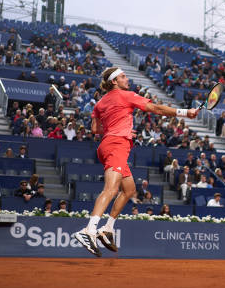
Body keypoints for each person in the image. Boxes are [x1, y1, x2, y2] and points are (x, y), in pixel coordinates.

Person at [74, 67, 199, 257]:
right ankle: (88, 230)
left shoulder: (100, 103)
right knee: (111, 189)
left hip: (107, 145)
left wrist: (118, 128)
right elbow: (156, 109)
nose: (127, 79)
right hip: (116, 145)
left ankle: (107, 229)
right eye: (123, 76)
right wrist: (184, 113)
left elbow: (95, 129)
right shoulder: (126, 95)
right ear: (114, 81)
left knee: (129, 190)